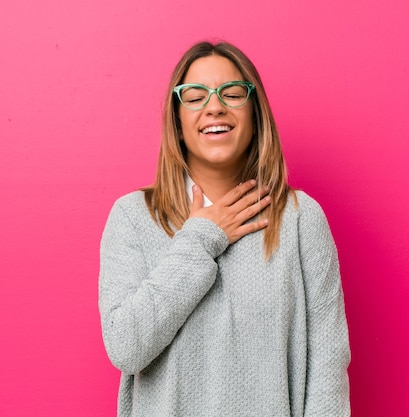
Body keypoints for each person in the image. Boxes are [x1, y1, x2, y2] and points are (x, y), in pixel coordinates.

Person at [99, 40, 350, 416]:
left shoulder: (300, 219)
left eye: (232, 93)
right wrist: (201, 238)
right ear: (178, 121)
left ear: (255, 113)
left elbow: (328, 364)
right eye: (195, 96)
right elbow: (126, 346)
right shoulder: (134, 217)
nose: (214, 106)